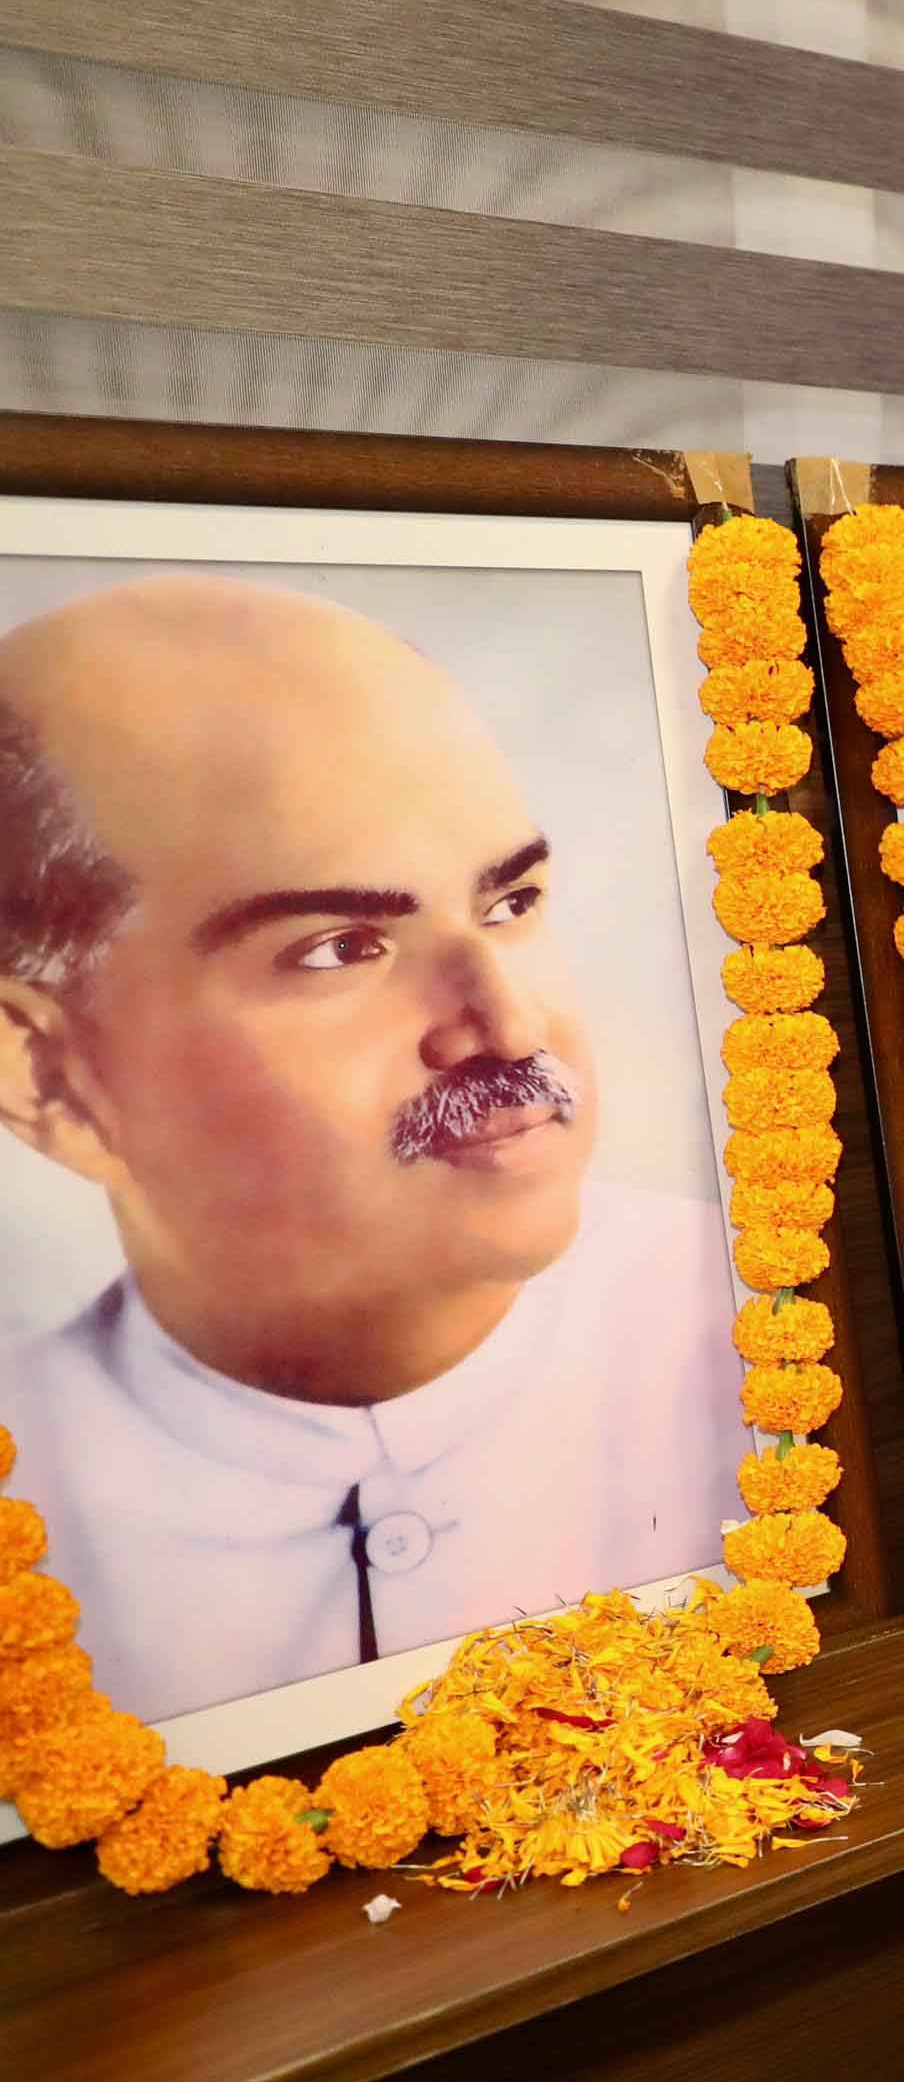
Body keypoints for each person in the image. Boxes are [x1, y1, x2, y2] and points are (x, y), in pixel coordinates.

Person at [0, 575, 734, 1724]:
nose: (511, 1025)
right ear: (45, 1074)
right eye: (341, 947)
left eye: (509, 903)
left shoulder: (762, 1339)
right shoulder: (29, 1486)